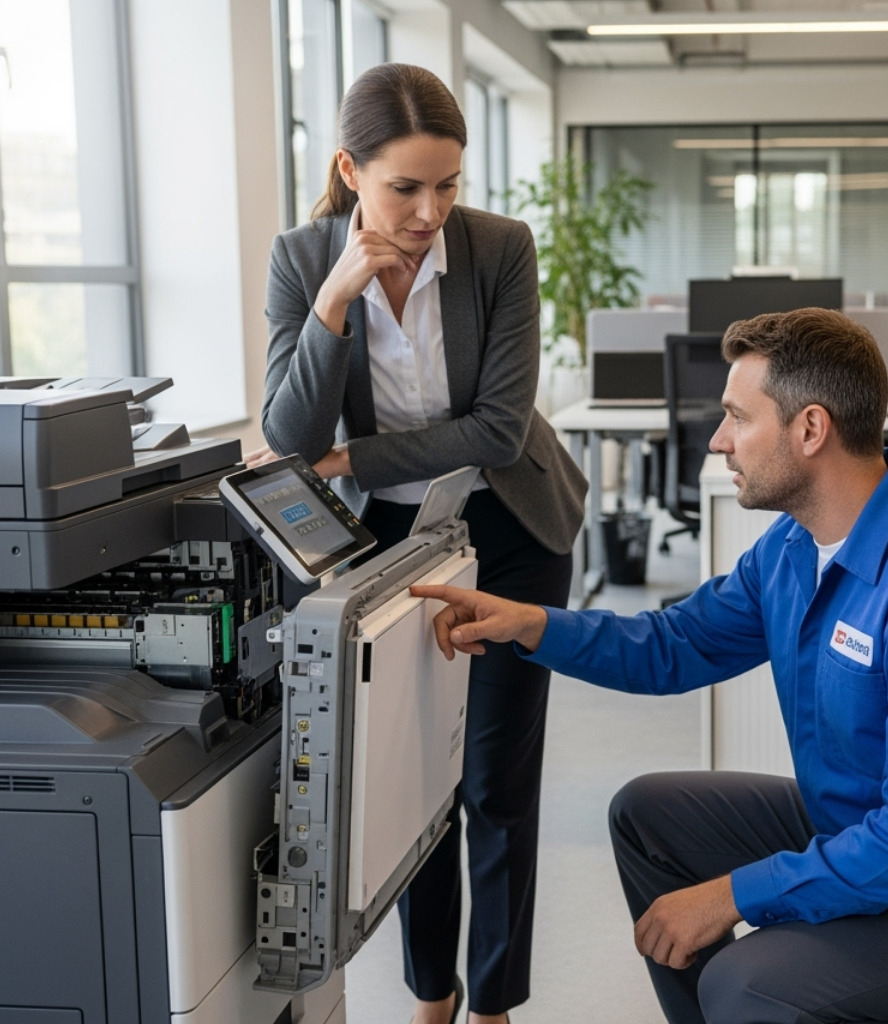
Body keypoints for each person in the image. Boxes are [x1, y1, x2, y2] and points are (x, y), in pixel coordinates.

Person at [411, 307, 888, 1024]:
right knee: (649, 815)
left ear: (811, 429)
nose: (720, 440)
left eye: (737, 417)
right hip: (858, 831)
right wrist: (533, 625)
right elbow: (676, 645)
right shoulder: (792, 550)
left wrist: (731, 895)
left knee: (746, 981)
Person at [258, 63, 586, 1024]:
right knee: (418, 787)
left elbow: (497, 429)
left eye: (448, 184)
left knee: (494, 780)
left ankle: (492, 1004)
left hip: (512, 529)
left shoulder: (501, 249)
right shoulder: (301, 256)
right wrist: (335, 302)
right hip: (391, 542)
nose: (431, 209)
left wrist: (351, 452)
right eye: (407, 186)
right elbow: (286, 435)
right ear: (350, 170)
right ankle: (430, 994)